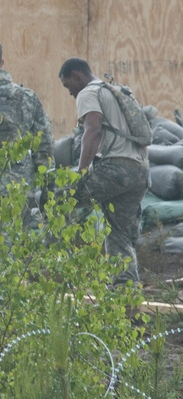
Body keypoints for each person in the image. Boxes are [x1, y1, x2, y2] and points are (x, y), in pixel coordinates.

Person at [58, 57, 149, 285]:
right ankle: (126, 296)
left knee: (63, 200)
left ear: (77, 76)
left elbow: (93, 129)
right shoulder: (114, 90)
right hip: (140, 170)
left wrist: (81, 173)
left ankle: (40, 266)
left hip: (116, 168)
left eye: (68, 86)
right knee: (119, 233)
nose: (70, 93)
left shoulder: (88, 93)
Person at [0, 38, 54, 220]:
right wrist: (47, 189)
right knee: (18, 243)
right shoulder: (28, 96)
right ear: (2, 63)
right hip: (19, 186)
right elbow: (45, 145)